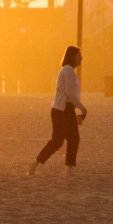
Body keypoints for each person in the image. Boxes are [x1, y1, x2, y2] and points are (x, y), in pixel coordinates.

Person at [30, 45, 87, 173]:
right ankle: (64, 169)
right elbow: (70, 94)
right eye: (79, 56)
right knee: (64, 140)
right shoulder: (67, 71)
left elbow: (72, 95)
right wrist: (82, 108)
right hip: (63, 110)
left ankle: (36, 164)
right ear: (72, 57)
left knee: (64, 140)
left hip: (64, 109)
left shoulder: (69, 71)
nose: (81, 58)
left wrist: (76, 110)